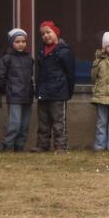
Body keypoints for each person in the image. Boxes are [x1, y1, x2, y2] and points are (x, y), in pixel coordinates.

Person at [33, 20, 75, 152]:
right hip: (43, 92)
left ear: (56, 32)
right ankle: (42, 145)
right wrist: (38, 90)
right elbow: (39, 74)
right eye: (43, 34)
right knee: (43, 122)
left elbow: (70, 74)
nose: (46, 35)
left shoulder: (64, 51)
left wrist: (68, 92)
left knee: (59, 122)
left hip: (59, 93)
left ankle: (61, 146)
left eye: (48, 32)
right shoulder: (41, 52)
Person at [0, 28, 34, 152]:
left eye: (23, 41)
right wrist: (8, 89)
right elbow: (0, 77)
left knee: (24, 125)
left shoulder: (29, 58)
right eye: (17, 41)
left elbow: (31, 76)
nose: (21, 44)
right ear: (12, 42)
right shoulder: (7, 58)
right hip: (14, 96)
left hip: (27, 96)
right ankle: (7, 146)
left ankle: (19, 147)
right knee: (15, 124)